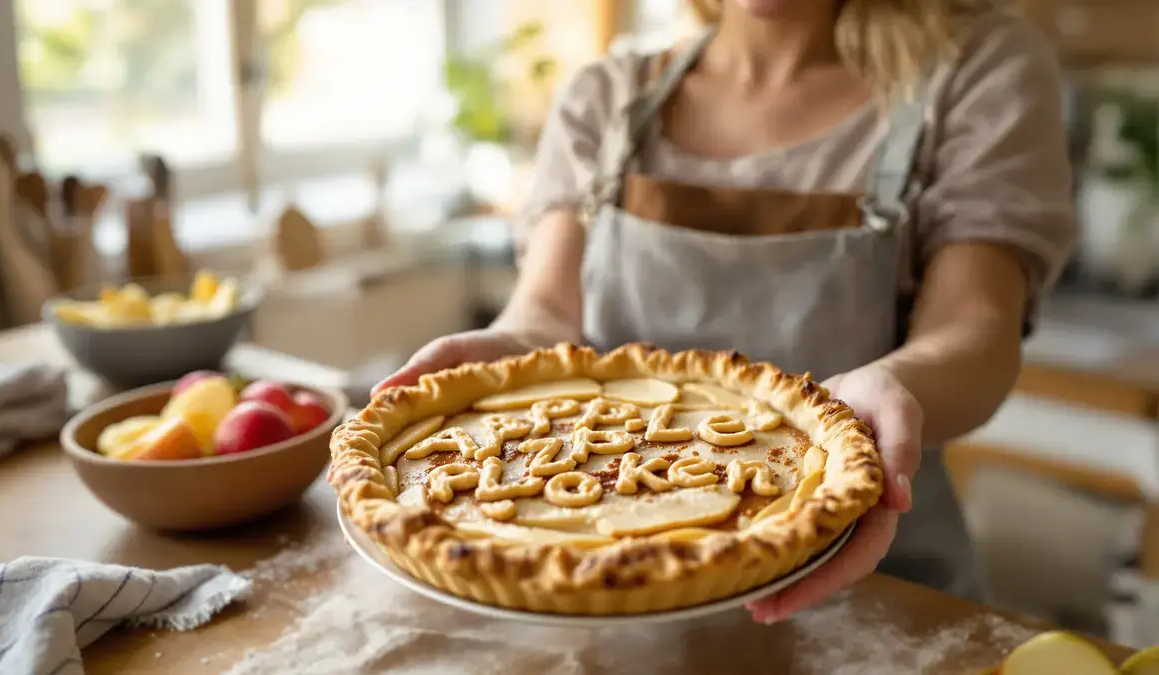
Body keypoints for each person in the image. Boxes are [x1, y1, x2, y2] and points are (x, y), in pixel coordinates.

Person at [373, 0, 1075, 623]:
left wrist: (882, 400)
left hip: (875, 601)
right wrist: (510, 351)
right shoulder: (609, 96)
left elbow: (975, 328)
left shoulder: (974, 73)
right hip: (601, 596)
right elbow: (548, 314)